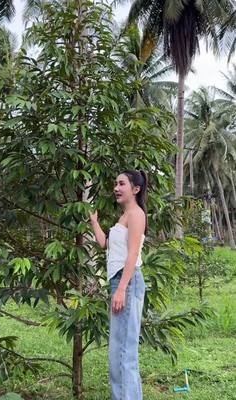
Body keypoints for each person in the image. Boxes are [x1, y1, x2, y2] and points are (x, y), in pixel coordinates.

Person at [90, 170, 147, 400]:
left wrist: (122, 288)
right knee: (119, 354)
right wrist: (94, 221)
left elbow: (133, 254)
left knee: (123, 354)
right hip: (121, 281)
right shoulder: (124, 216)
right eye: (115, 183)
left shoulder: (135, 214)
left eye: (121, 183)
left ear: (135, 189)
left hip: (128, 281)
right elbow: (105, 244)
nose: (116, 187)